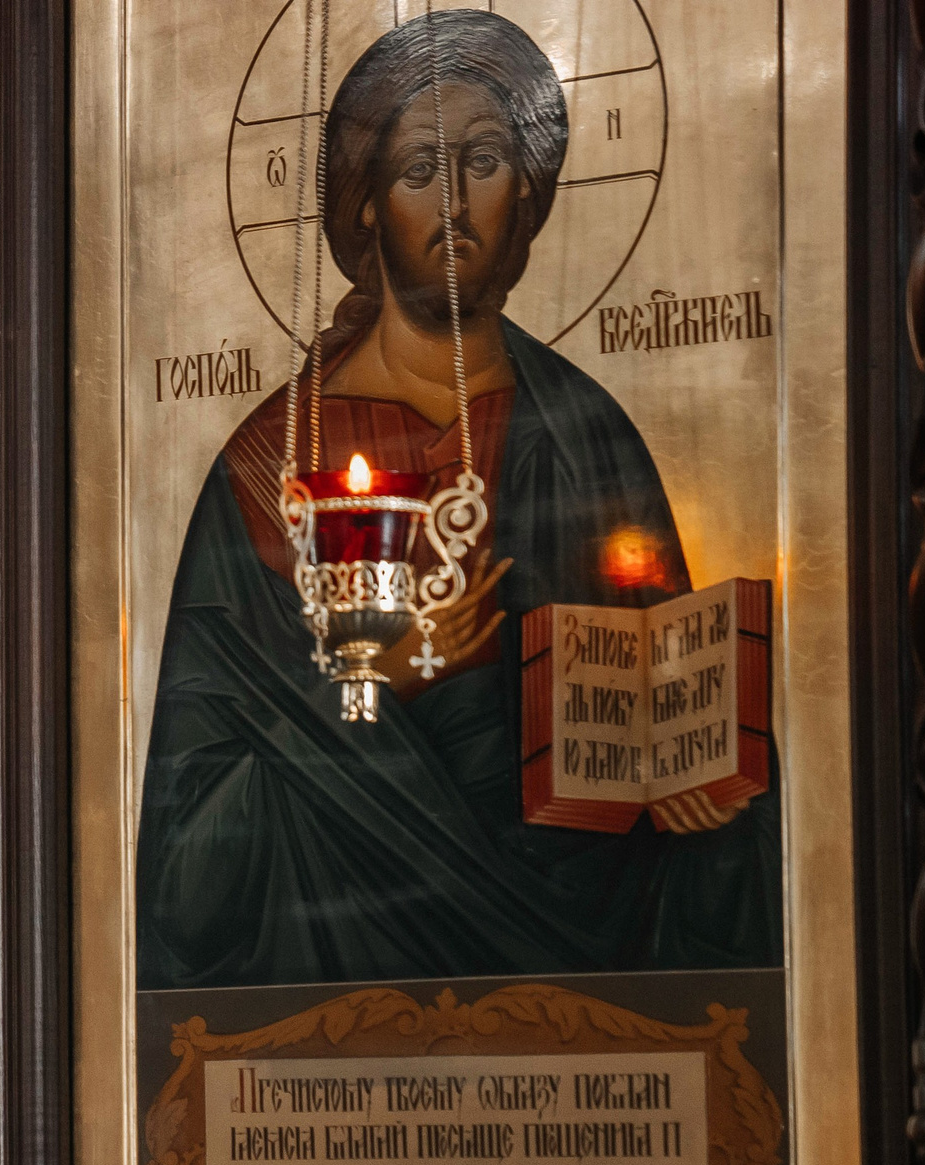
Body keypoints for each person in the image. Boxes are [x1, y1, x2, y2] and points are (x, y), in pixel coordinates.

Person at [136, 10, 782, 990]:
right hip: (338, 952)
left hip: (584, 946)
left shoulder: (585, 432)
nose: (453, 202)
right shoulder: (265, 464)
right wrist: (376, 687)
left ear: (525, 190)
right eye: (415, 170)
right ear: (363, 206)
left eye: (481, 160)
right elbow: (188, 851)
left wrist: (698, 778)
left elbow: (658, 692)